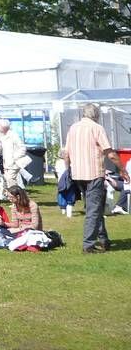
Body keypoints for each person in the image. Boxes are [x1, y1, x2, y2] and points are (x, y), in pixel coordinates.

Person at [65, 103, 112, 253]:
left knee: (94, 207)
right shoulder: (97, 128)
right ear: (96, 115)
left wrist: (68, 170)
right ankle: (88, 245)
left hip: (78, 174)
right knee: (93, 209)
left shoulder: (73, 128)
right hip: (94, 173)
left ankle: (104, 239)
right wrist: (123, 170)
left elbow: (66, 153)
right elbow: (108, 151)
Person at [0, 120, 27, 193]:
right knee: (10, 182)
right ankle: (16, 199)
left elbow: (23, 148)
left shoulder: (13, 135)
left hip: (13, 163)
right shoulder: (3, 136)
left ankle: (17, 199)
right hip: (7, 163)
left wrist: (14, 157)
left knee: (11, 180)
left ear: (3, 127)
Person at [104, 148, 129, 214]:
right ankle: (119, 206)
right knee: (126, 186)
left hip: (112, 177)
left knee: (126, 184)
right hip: (106, 180)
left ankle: (120, 206)